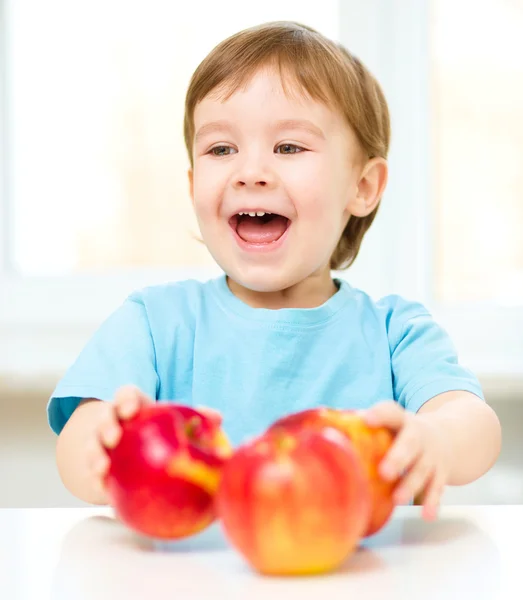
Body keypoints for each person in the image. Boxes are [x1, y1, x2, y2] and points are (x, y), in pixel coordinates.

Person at [48, 21, 501, 521]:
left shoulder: (397, 334)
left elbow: (474, 424)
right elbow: (76, 447)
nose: (250, 171)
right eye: (221, 149)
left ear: (364, 186)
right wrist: (105, 444)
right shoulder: (155, 324)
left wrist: (435, 438)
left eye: (288, 147)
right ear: (194, 183)